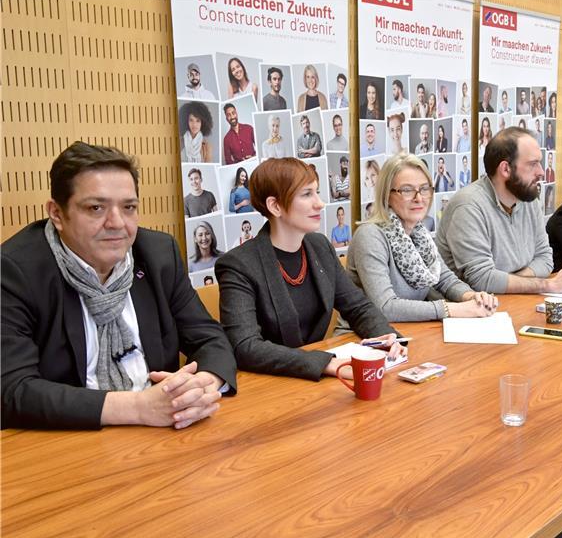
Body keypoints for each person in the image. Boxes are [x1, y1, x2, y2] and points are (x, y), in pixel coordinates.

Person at [1, 141, 236, 429]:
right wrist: (137, 408)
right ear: (57, 214)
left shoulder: (158, 254)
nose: (116, 223)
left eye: (128, 207)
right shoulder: (15, 270)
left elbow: (209, 338)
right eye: (96, 207)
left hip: (167, 429)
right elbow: (12, 390)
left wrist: (201, 386)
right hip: (70, 441)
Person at [214, 158, 406, 381]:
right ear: (275, 206)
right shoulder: (238, 264)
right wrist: (324, 362)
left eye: (317, 192)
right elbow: (246, 346)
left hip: (316, 380)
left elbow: (358, 307)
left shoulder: (319, 246)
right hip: (267, 383)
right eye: (307, 194)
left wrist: (388, 338)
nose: (320, 203)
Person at [346, 153, 498, 322]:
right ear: (387, 196)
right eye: (407, 190)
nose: (419, 198)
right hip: (364, 338)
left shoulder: (420, 234)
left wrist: (472, 297)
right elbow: (386, 307)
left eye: (424, 189)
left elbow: (445, 280)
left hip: (410, 332)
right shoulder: (370, 236)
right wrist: (451, 309)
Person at [435, 128, 562, 294]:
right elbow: (482, 279)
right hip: (471, 311)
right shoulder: (468, 206)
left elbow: (545, 259)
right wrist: (547, 285)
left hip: (513, 300)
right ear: (506, 169)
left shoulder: (529, 199)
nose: (541, 172)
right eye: (533, 164)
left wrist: (509, 282)